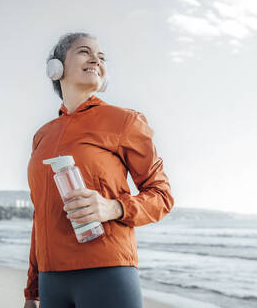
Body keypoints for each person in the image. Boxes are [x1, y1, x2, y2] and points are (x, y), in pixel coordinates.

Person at [23, 32, 174, 308]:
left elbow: (162, 196)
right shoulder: (41, 136)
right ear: (56, 68)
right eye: (84, 52)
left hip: (106, 272)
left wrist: (113, 208)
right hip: (51, 280)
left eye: (101, 57)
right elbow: (40, 214)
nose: (96, 59)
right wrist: (32, 289)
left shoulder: (125, 122)